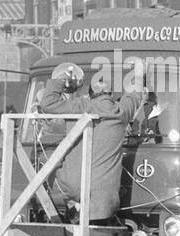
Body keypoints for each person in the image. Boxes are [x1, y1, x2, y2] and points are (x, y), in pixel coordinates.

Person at [36, 64, 142, 224]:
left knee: (51, 165)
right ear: (111, 94)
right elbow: (134, 96)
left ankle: (73, 208)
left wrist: (61, 81)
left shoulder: (79, 107)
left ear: (90, 94)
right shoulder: (121, 112)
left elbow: (48, 103)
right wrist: (139, 73)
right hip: (103, 199)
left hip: (72, 187)